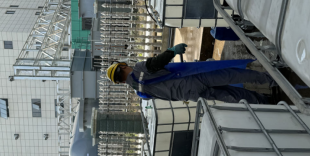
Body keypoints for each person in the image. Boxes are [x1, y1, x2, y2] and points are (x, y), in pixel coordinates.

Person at [106, 43, 274, 104]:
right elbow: (157, 62)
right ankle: (272, 80)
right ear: (123, 66)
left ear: (121, 82)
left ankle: (264, 102)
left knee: (231, 95)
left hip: (191, 95)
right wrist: (173, 50)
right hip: (193, 79)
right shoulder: (138, 69)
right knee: (233, 75)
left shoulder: (141, 93)